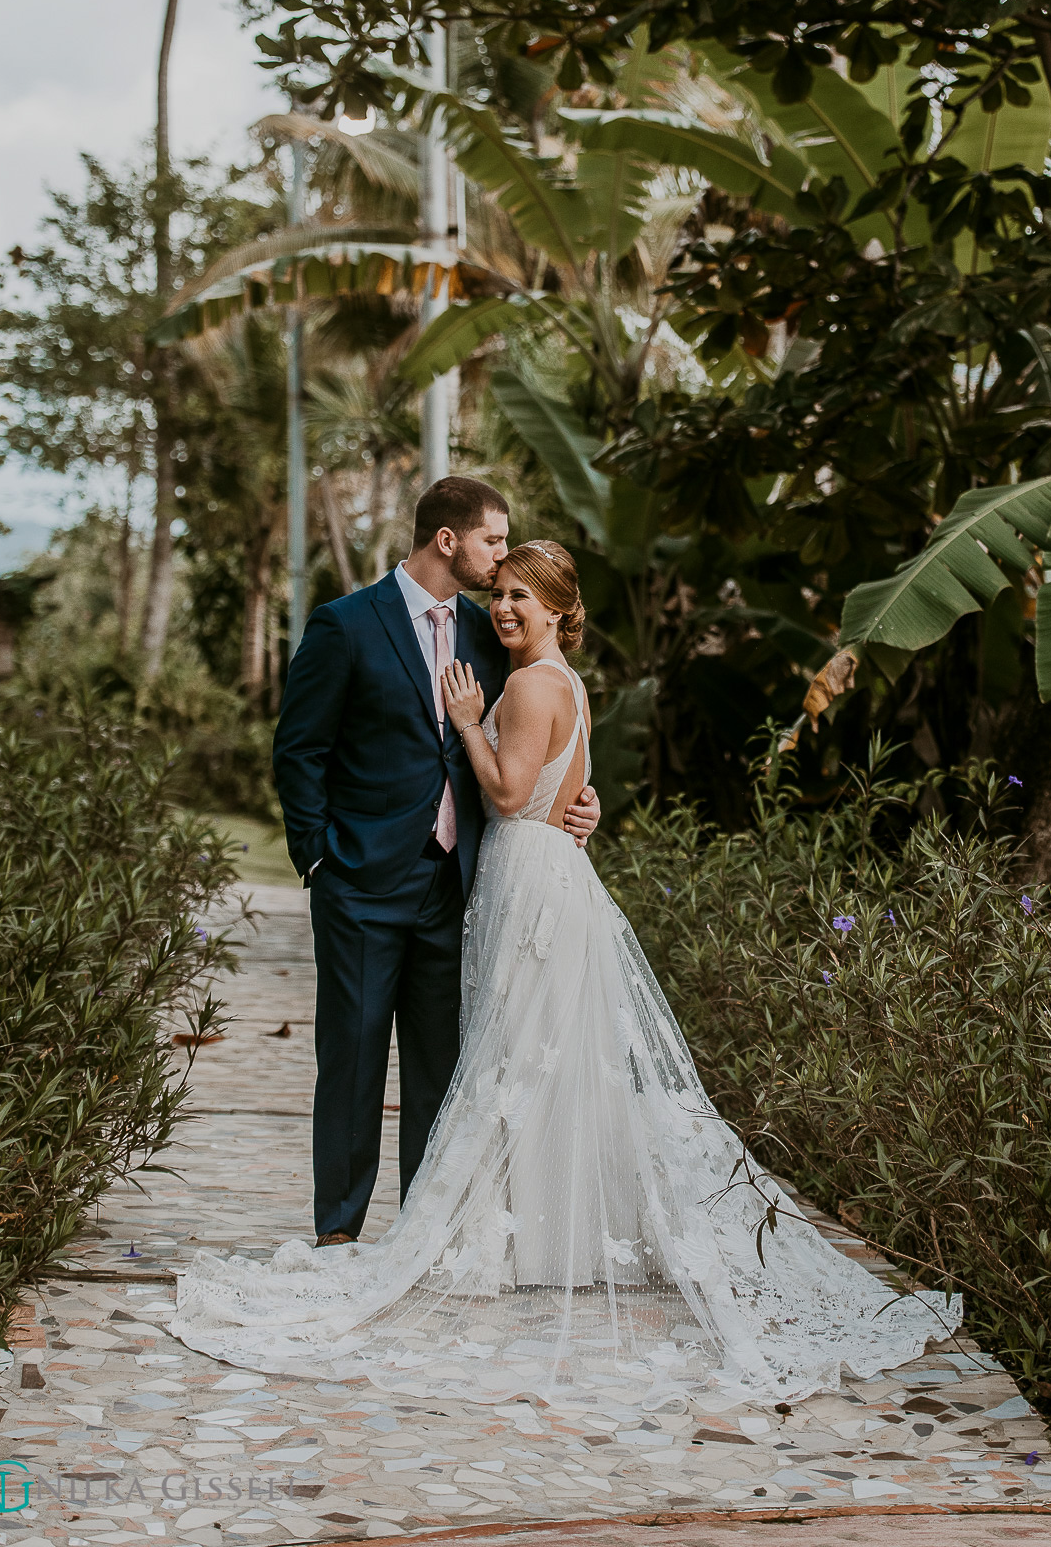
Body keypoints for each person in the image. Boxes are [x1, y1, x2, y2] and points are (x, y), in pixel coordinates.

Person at [173, 540, 960, 1412]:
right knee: (541, 1055)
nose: (503, 608)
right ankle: (546, 1238)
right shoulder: (566, 683)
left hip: (527, 873)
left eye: (522, 597)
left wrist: (468, 723)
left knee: (514, 1053)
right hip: (547, 872)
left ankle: (499, 1237)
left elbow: (508, 796)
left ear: (556, 609)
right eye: (499, 594)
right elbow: (557, 788)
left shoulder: (523, 685)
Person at [271, 477, 600, 1248]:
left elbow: (541, 729)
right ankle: (339, 1234)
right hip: (358, 880)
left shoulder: (495, 635)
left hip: (459, 883)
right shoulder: (345, 625)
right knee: (350, 1061)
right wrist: (319, 860)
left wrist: (581, 801)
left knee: (440, 1069)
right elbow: (299, 750)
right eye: (493, 540)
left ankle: (422, 1233)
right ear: (447, 540)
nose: (500, 559)